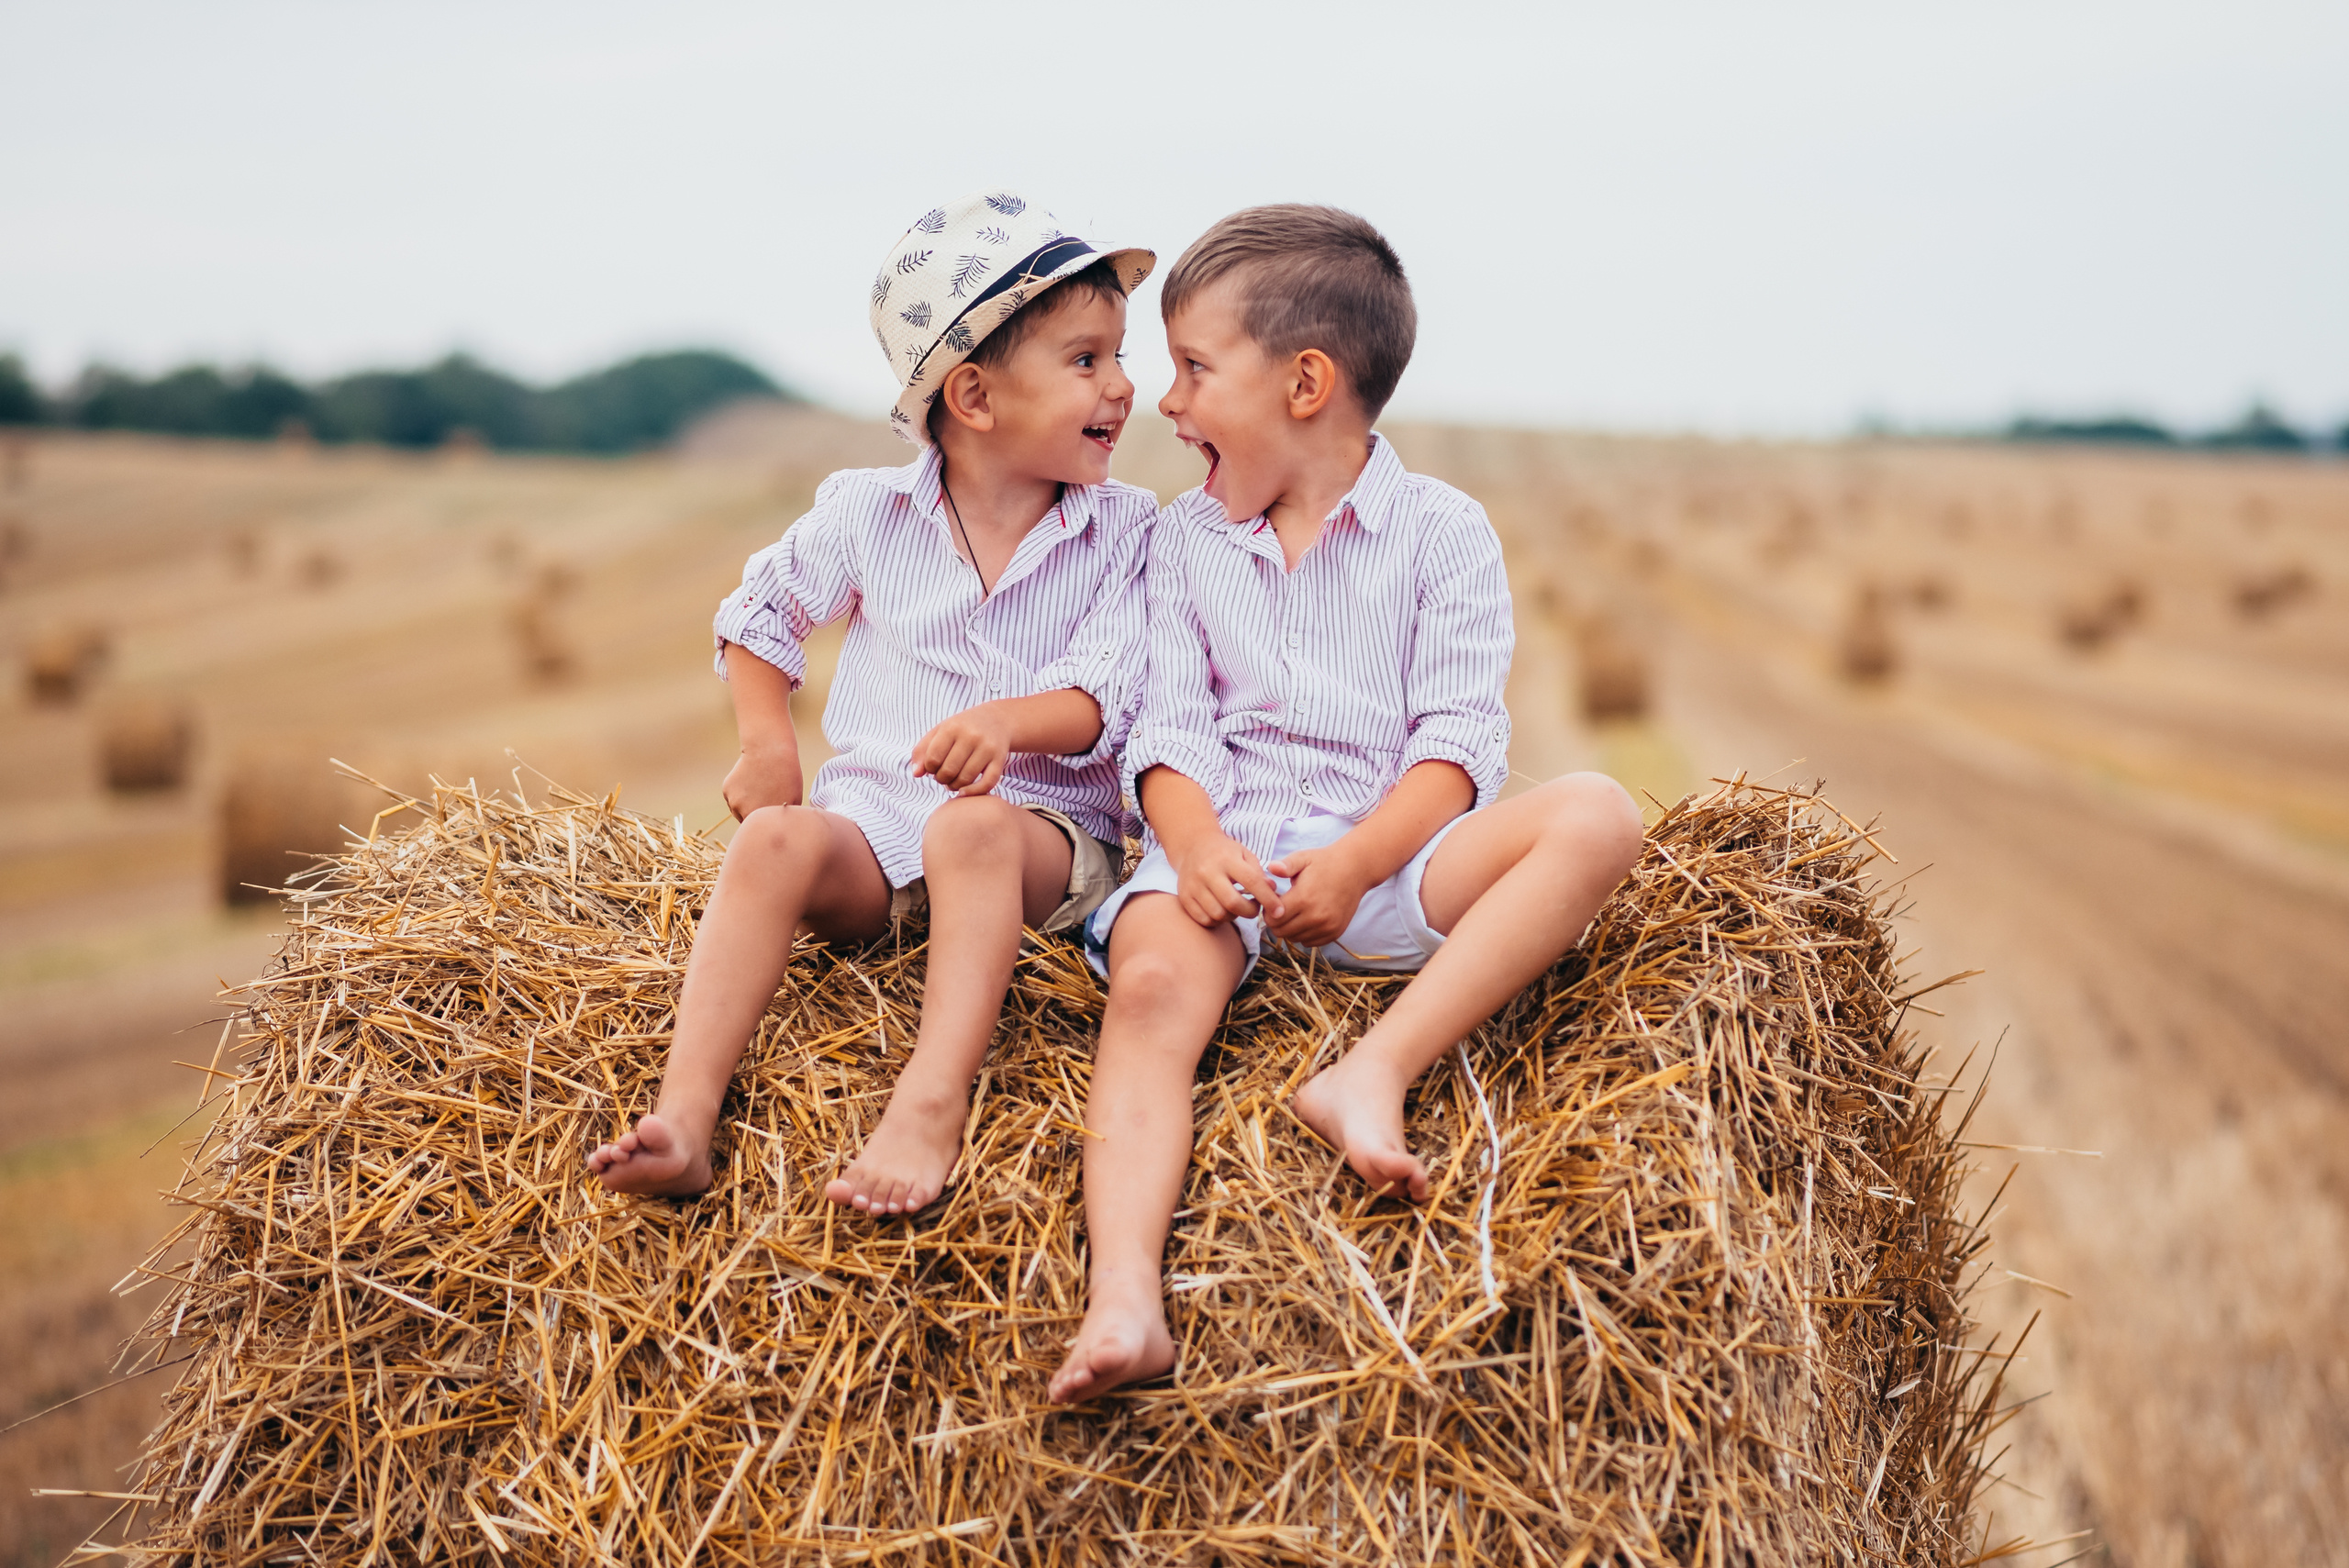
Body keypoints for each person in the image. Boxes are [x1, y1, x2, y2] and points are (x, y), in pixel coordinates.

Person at [1048, 206, 1646, 1401]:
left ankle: (1372, 1070)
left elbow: (1459, 742)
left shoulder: (1444, 535)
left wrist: (1366, 861)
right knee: (1158, 976)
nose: (1164, 400)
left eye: (1196, 368)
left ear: (1306, 382)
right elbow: (1164, 728)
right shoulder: (1186, 540)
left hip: (1387, 856)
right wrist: (1197, 846)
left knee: (1599, 813)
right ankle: (1125, 1296)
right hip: (1226, 855)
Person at [588, 193, 1157, 1213]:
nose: (1124, 386)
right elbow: (760, 615)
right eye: (1086, 360)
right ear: (974, 397)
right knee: (772, 844)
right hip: (882, 837)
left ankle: (929, 1104)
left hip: (1041, 845)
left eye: (1120, 356)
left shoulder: (1127, 531)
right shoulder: (866, 511)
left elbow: (1108, 693)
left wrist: (1005, 723)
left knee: (974, 831)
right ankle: (683, 1116)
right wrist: (767, 745)